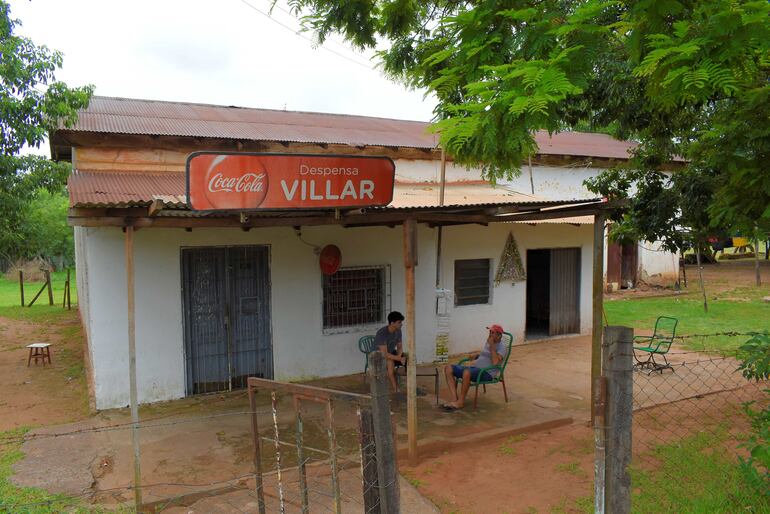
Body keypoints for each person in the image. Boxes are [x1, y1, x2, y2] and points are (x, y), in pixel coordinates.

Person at [442, 324, 507, 410]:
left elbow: (495, 362)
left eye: (492, 332)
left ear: (499, 335)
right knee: (448, 368)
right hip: (475, 369)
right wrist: (476, 356)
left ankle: (460, 402)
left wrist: (491, 346)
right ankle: (454, 399)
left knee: (466, 373)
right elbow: (486, 355)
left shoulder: (502, 347)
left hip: (487, 373)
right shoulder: (489, 342)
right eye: (490, 332)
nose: (490, 334)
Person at [374, 311, 406, 392]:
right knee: (390, 362)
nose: (401, 324)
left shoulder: (398, 331)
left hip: (390, 352)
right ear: (392, 323)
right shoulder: (382, 333)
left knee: (410, 358)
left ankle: (410, 382)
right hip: (377, 355)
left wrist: (399, 356)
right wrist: (398, 359)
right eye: (399, 322)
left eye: (401, 322)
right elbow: (384, 354)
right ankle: (395, 388)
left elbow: (400, 347)